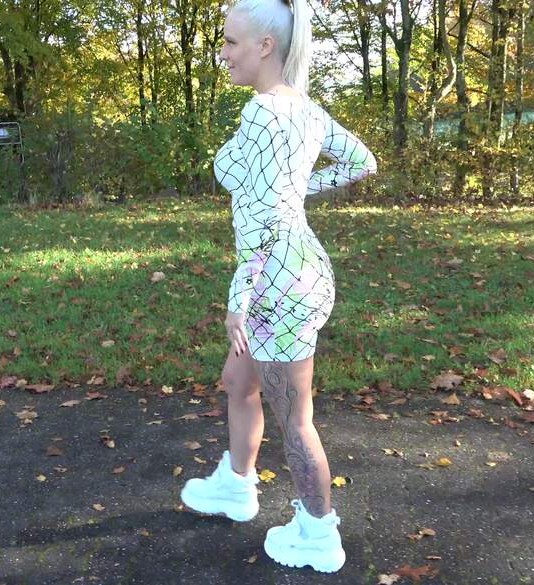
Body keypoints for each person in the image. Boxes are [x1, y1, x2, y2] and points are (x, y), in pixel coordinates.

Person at [179, 0, 377, 574]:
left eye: (231, 42)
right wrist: (296, 192)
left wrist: (237, 300)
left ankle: (318, 533)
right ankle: (237, 484)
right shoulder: (304, 109)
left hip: (276, 283)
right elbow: (361, 162)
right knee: (237, 383)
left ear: (266, 46)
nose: (223, 53)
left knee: (295, 417)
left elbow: (262, 225)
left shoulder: (265, 113)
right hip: (295, 270)